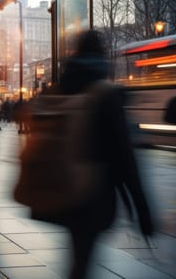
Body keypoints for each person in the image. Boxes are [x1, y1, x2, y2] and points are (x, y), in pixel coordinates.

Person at [57, 30, 153, 279]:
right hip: (94, 188)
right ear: (101, 53)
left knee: (79, 254)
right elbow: (123, 153)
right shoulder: (106, 93)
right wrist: (141, 207)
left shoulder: (62, 87)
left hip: (62, 183)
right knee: (83, 257)